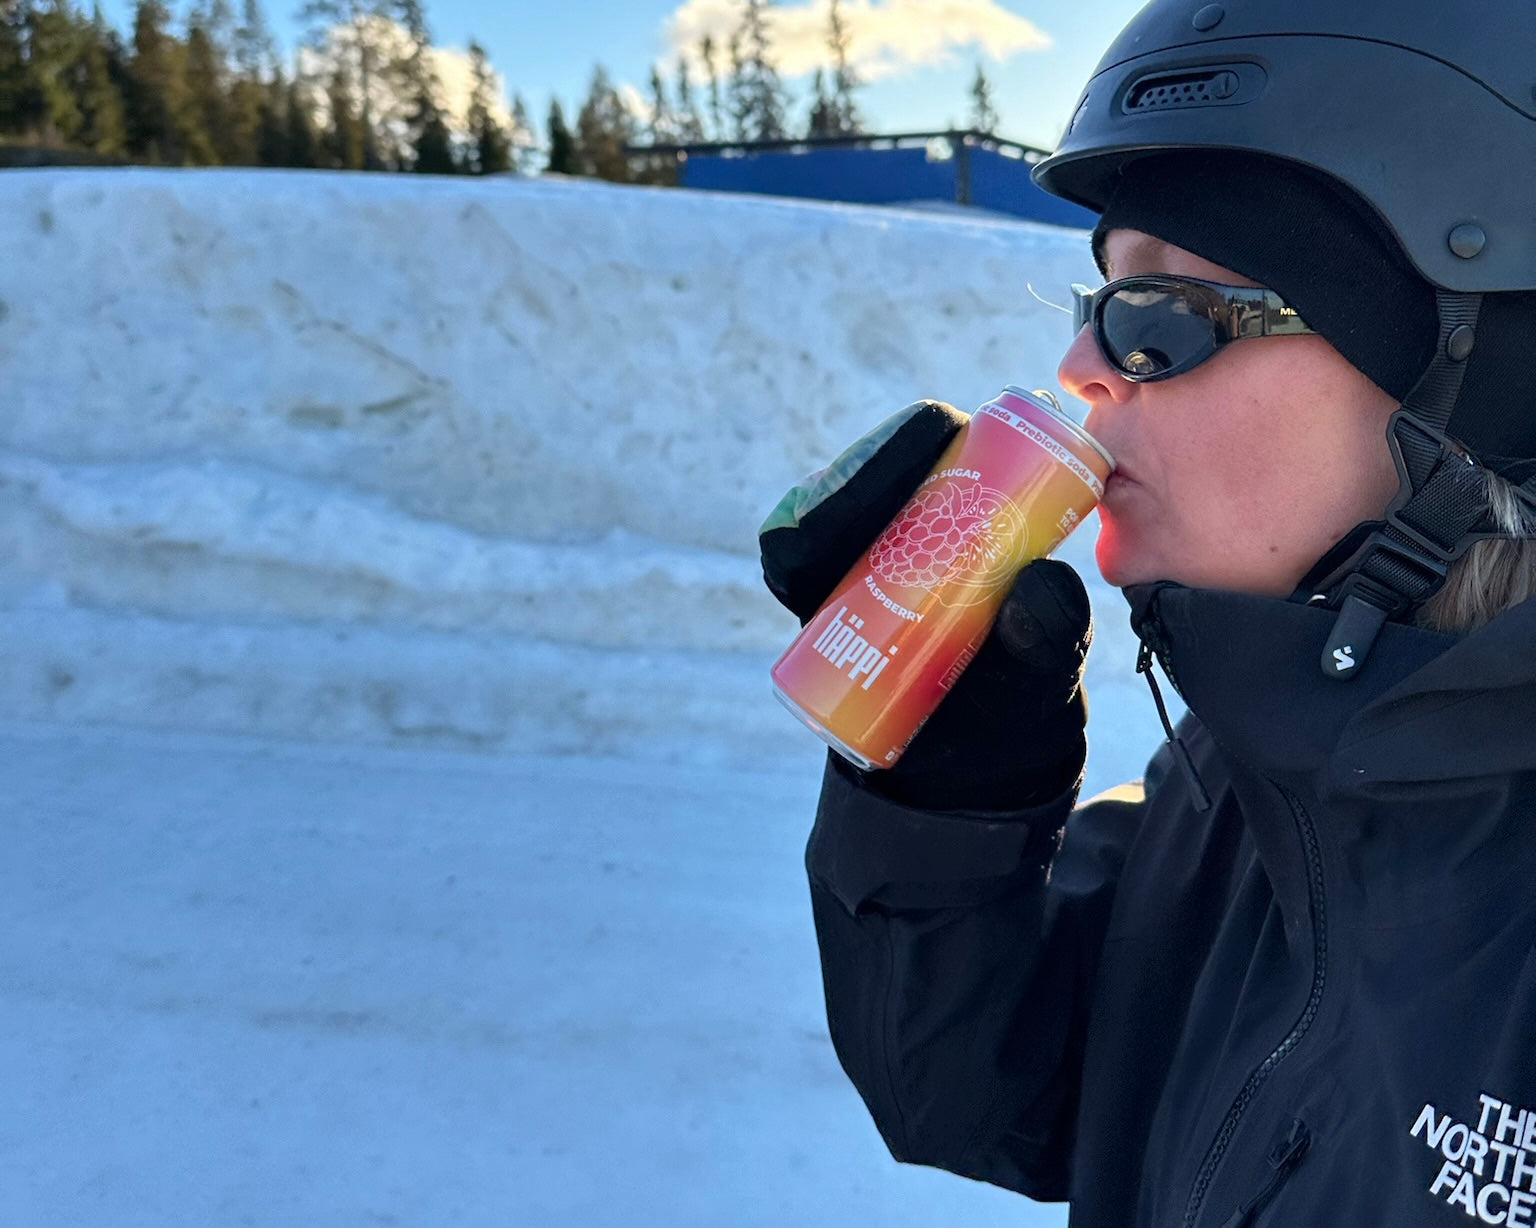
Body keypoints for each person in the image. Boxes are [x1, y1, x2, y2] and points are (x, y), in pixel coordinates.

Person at [758, 3, 1536, 1225]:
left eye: (1166, 319)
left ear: (1483, 386)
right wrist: (950, 802)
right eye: (1098, 300)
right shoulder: (1242, 776)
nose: (1081, 369)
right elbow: (995, 1097)